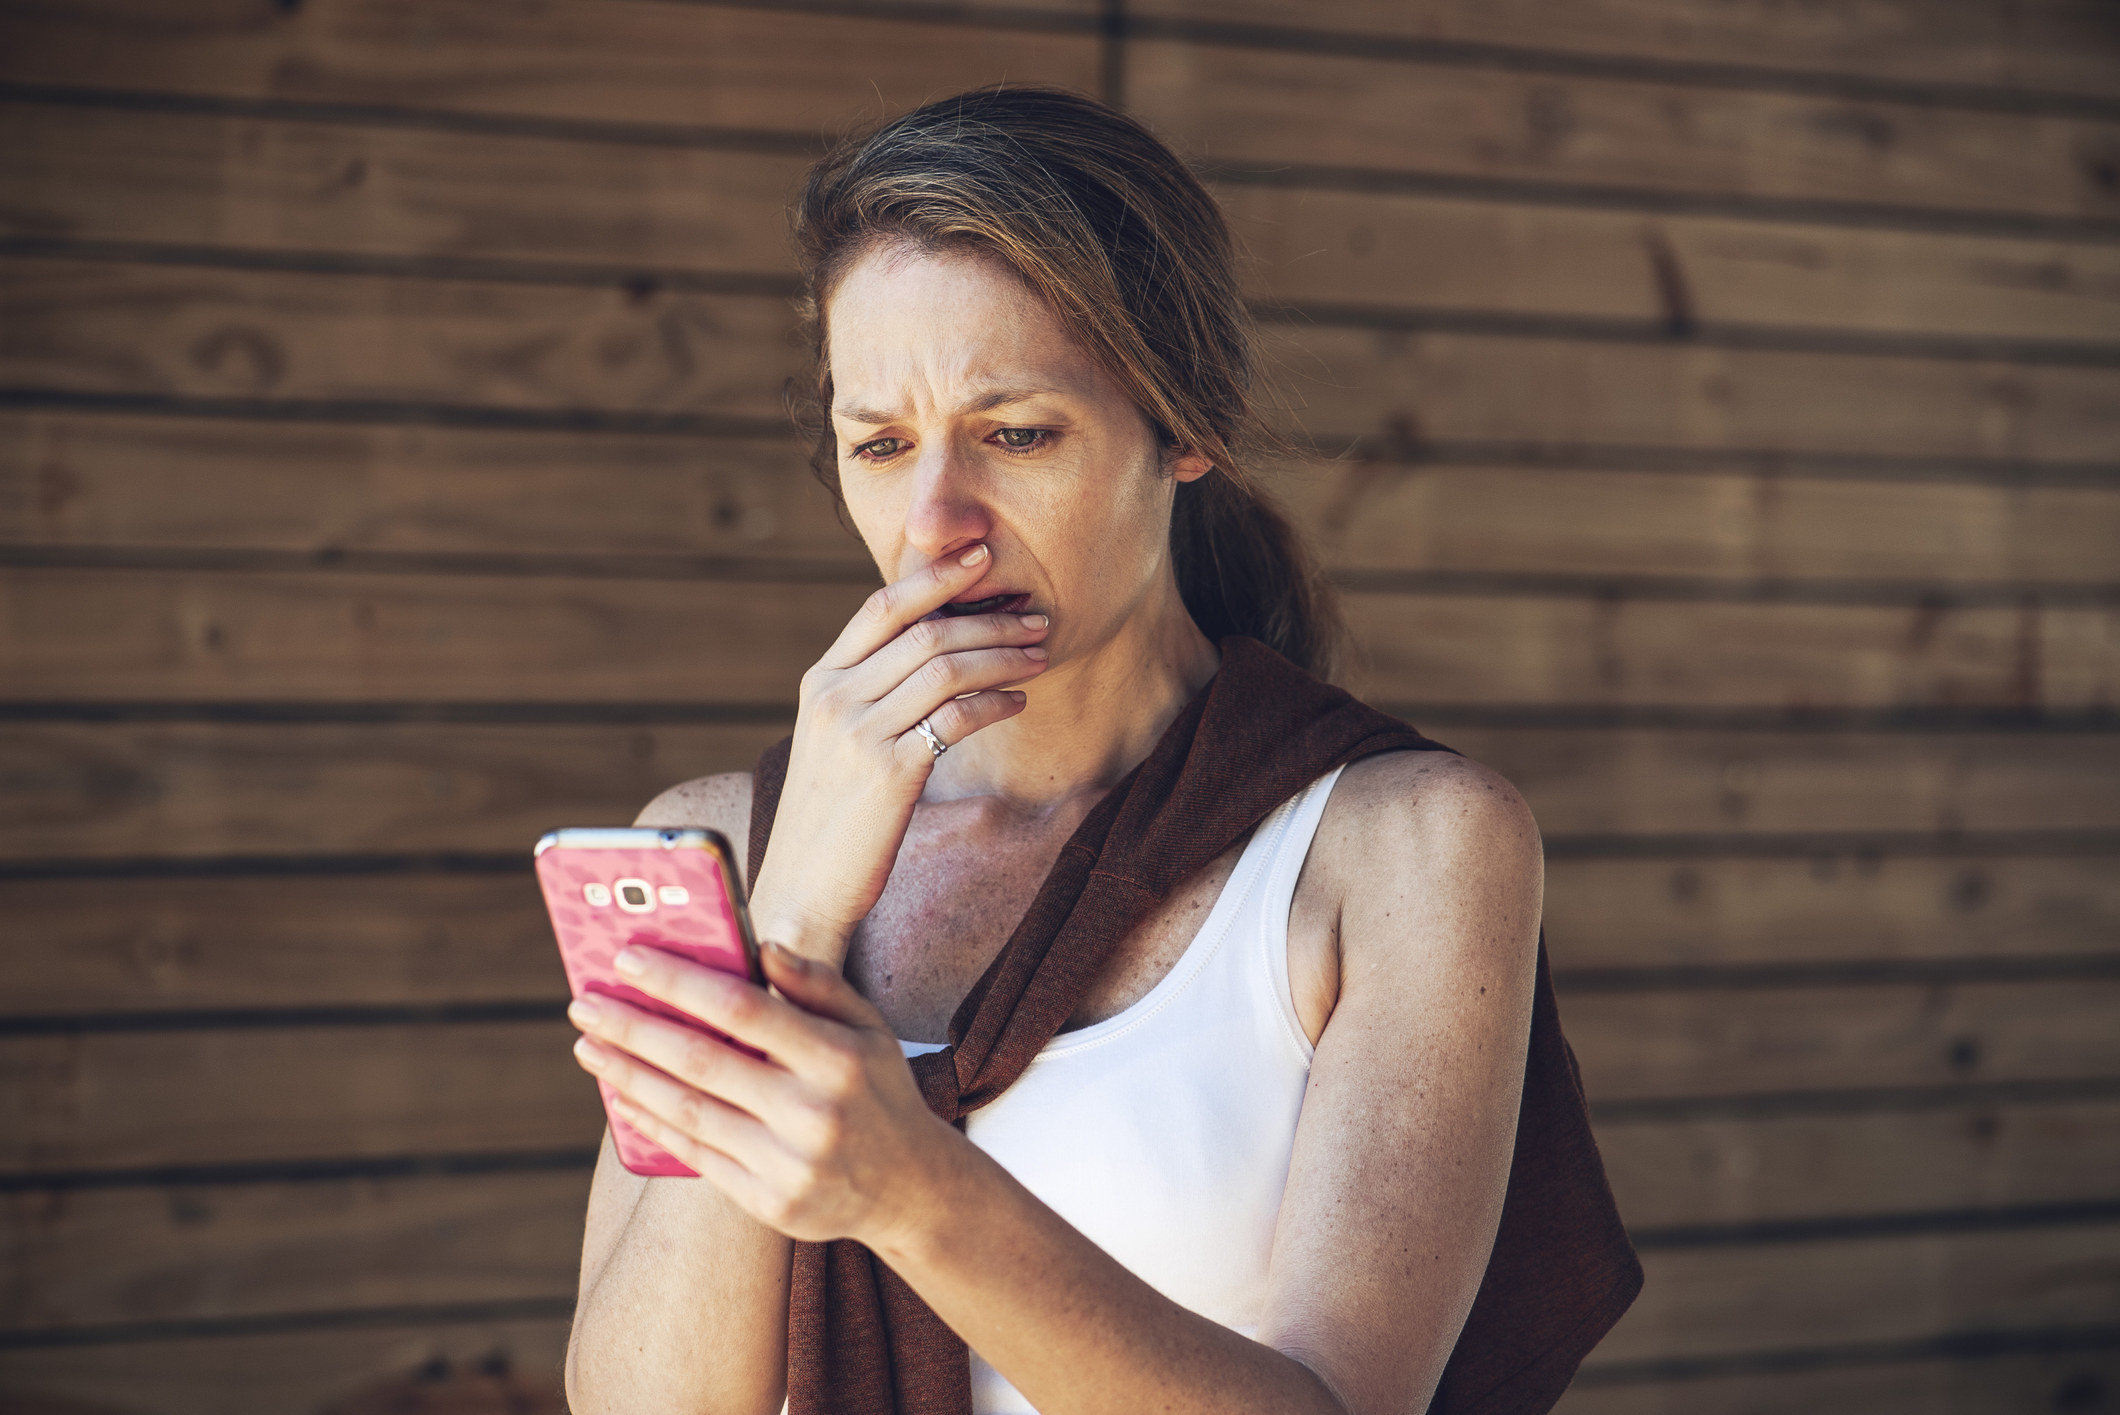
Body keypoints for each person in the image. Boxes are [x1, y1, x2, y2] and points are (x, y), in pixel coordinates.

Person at [559, 86, 1636, 1415]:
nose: (932, 526)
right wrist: (792, 914)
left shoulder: (1403, 846)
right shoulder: (711, 847)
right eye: (881, 445)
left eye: (1016, 434)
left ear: (1187, 425)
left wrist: (912, 1194)